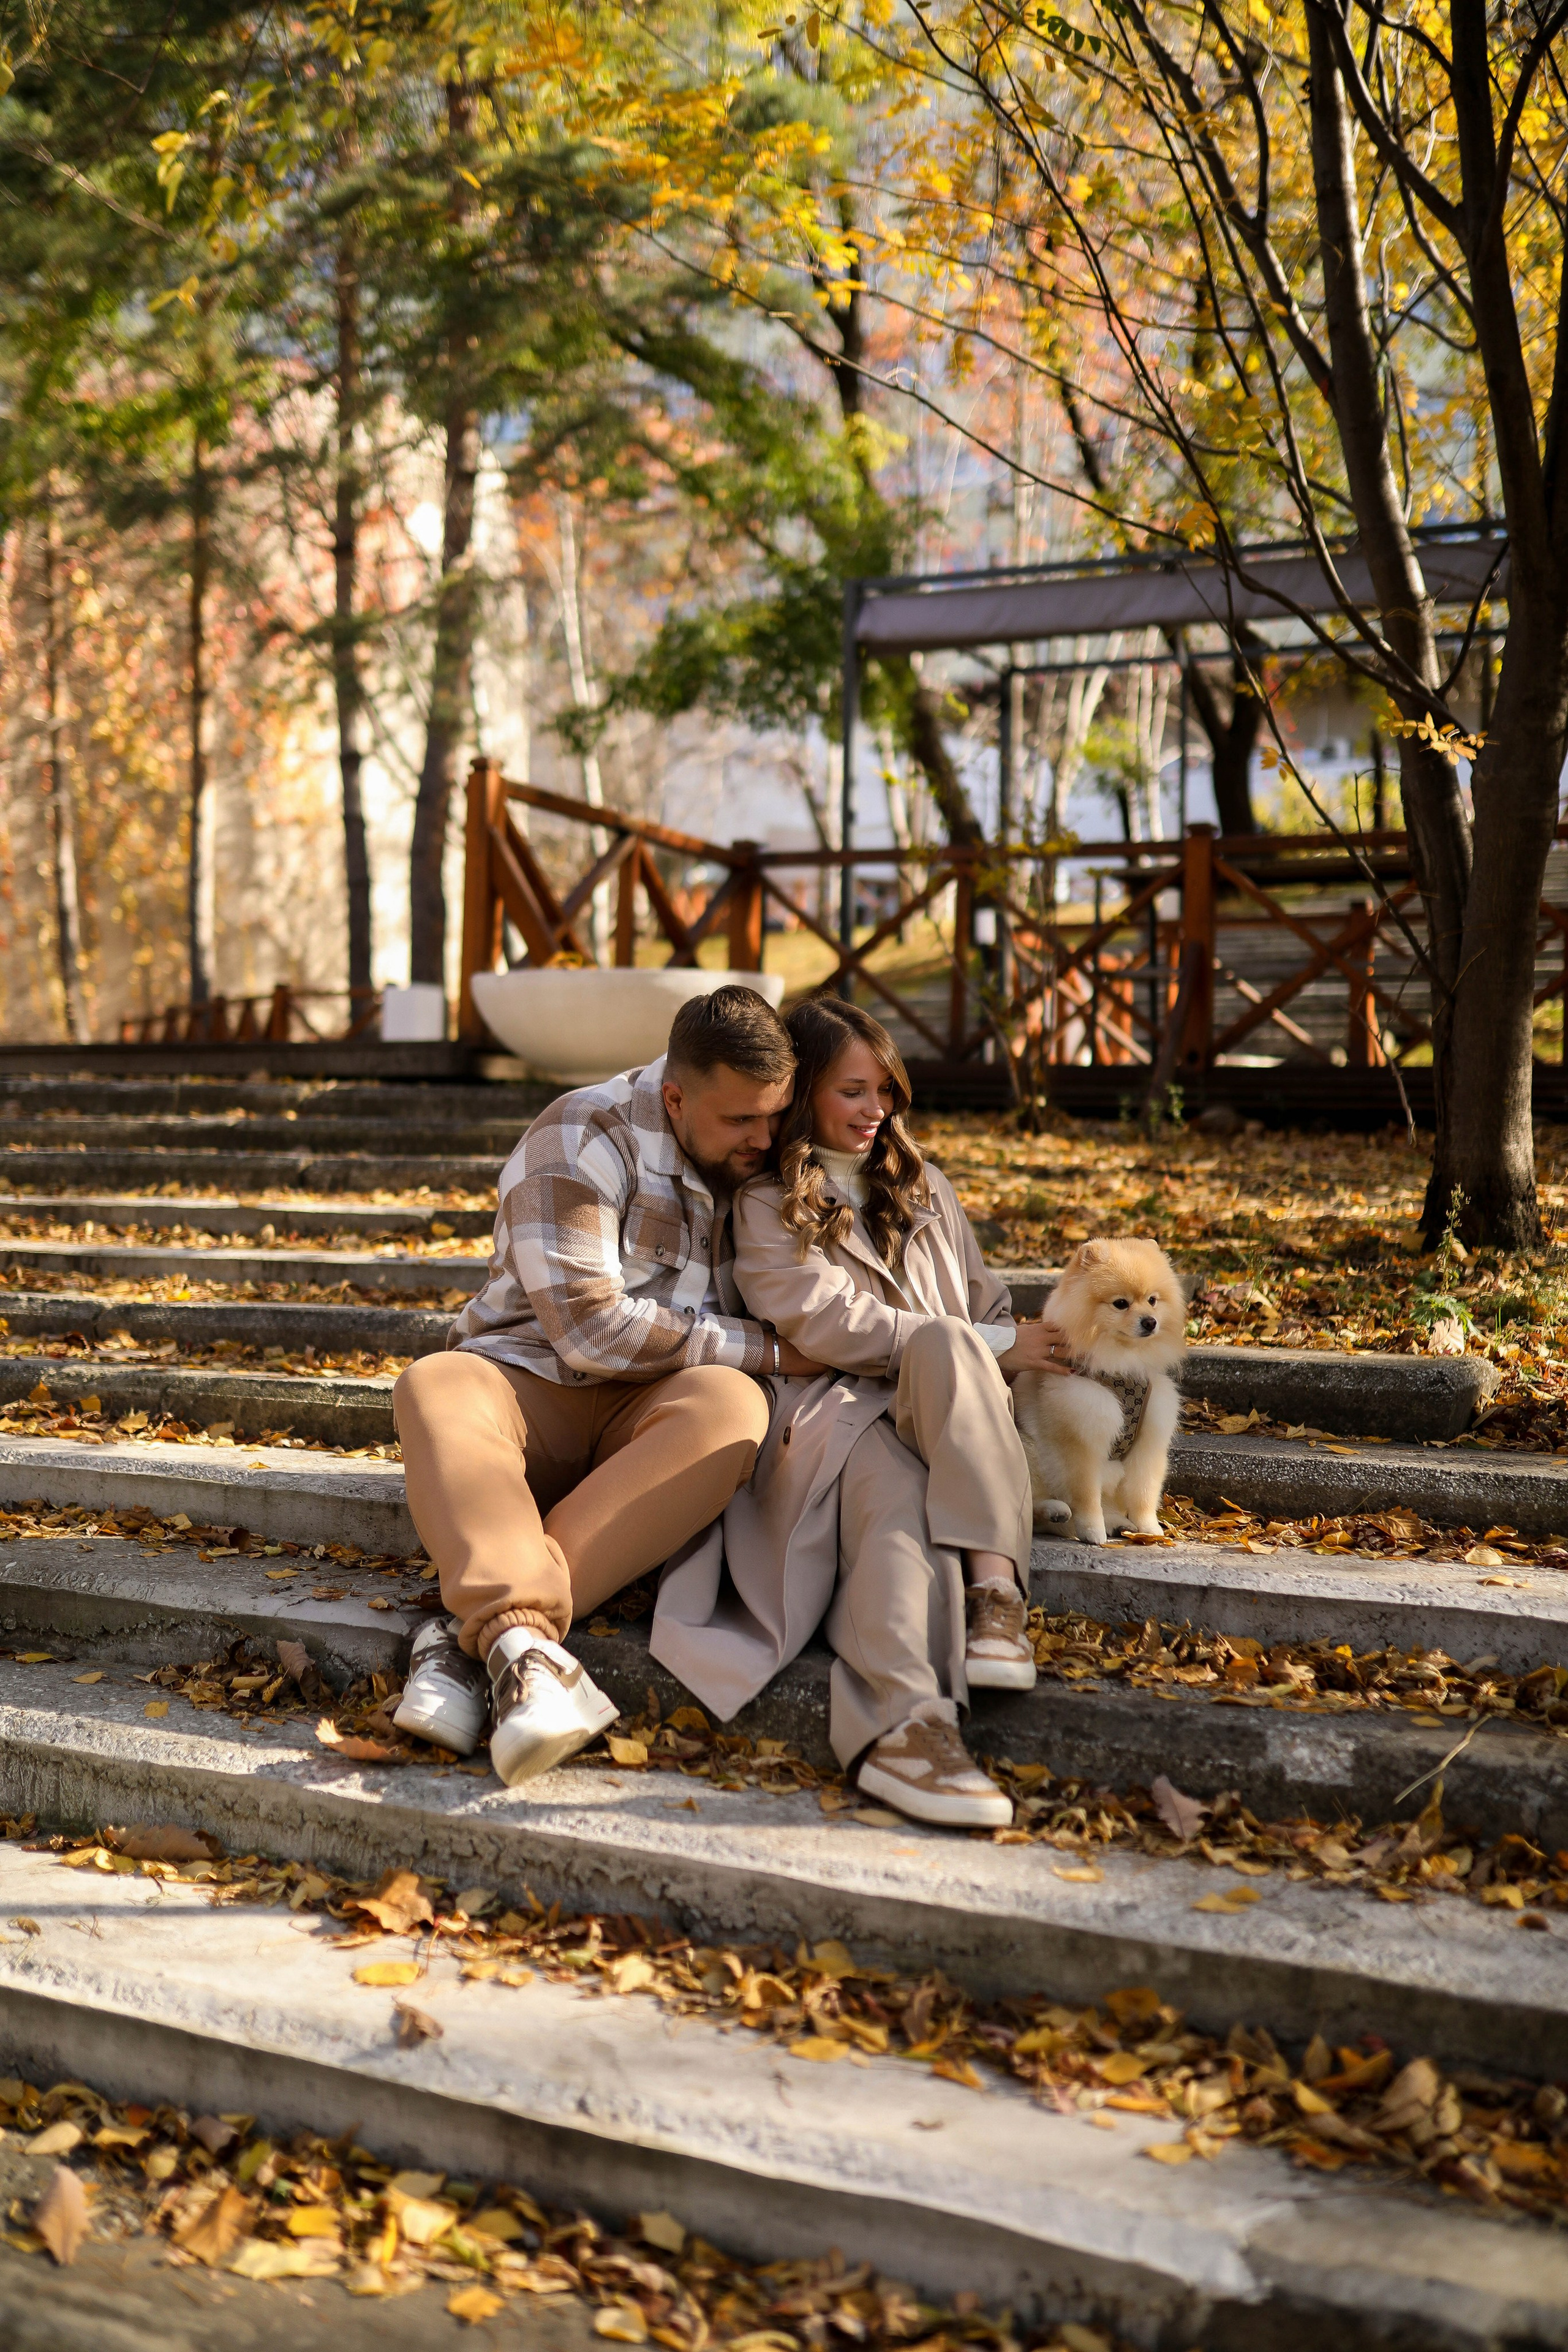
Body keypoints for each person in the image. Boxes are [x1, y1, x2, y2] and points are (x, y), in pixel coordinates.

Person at [653, 997, 1071, 1831]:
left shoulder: (927, 1189)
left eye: (886, 1089)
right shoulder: (769, 1204)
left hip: (950, 1409)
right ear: (805, 1094)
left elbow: (986, 1301)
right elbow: (829, 1324)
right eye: (853, 1090)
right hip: (834, 1409)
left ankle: (996, 1603)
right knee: (896, 1499)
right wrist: (990, 1342)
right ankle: (912, 1732)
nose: (877, 1109)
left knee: (955, 1350)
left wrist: (1004, 1343)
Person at [390, 984, 823, 1785]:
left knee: (731, 1406)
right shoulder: (579, 1135)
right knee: (436, 1382)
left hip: (654, 1414)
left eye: (776, 1115)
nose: (766, 1138)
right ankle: (518, 1645)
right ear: (675, 1095)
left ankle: (478, 1642)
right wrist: (765, 1349)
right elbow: (588, 1330)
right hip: (531, 1383)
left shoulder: (773, 1149)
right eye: (739, 1121)